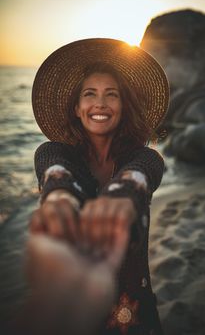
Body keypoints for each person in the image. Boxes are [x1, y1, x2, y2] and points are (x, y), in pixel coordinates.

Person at [26, 38, 169, 335]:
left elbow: (141, 176)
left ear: (123, 106)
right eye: (89, 94)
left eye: (111, 95)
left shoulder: (143, 158)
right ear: (77, 108)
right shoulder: (55, 153)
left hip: (134, 310)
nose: (100, 103)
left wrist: (123, 197)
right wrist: (59, 200)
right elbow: (57, 175)